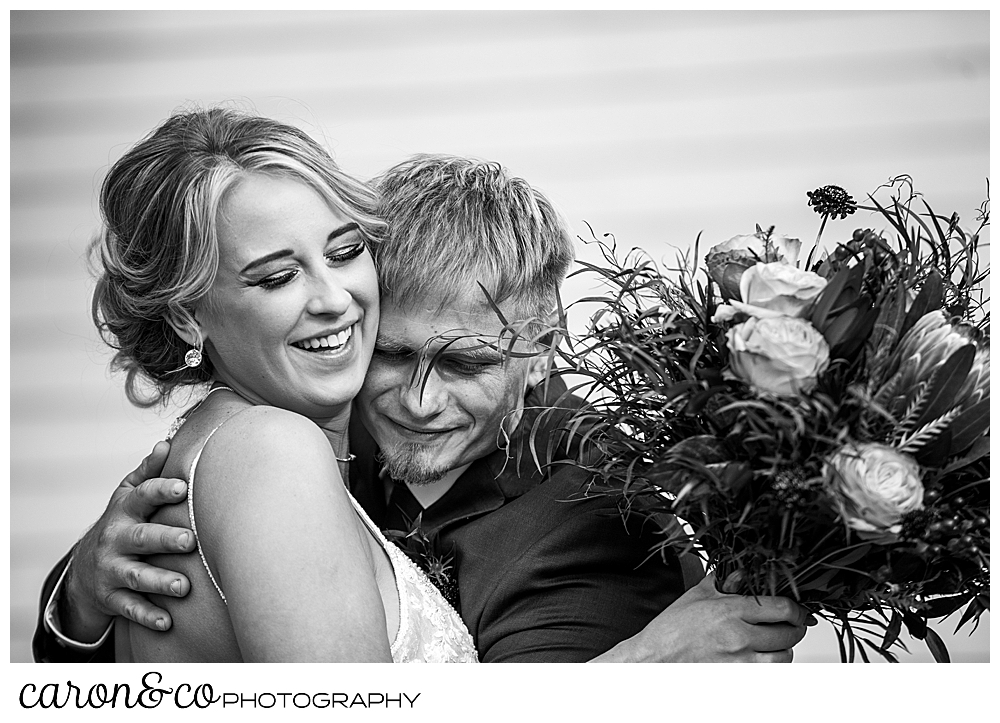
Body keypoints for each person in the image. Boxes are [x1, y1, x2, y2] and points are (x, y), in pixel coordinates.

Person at [35, 149, 814, 663]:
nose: (416, 401)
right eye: (394, 354)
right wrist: (79, 592)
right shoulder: (310, 432)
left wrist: (643, 662)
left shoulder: (595, 510)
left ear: (545, 342)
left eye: (466, 362)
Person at [49, 108, 478, 662]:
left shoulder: (244, 443)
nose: (333, 299)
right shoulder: (271, 454)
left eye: (345, 252)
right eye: (278, 277)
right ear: (187, 317)